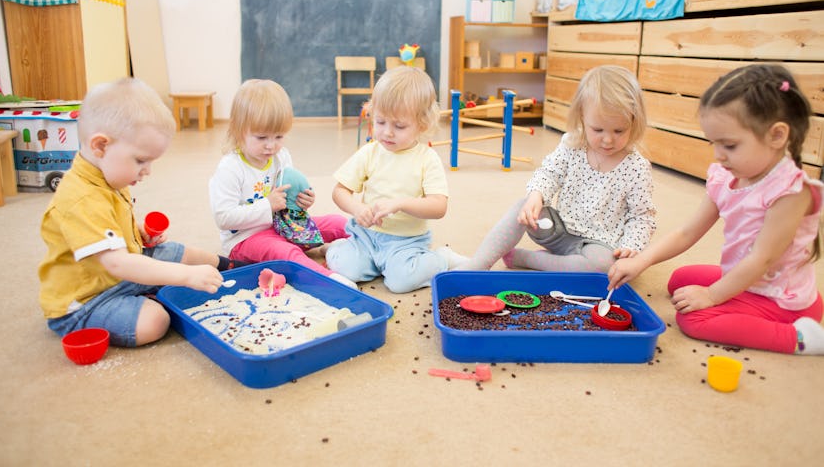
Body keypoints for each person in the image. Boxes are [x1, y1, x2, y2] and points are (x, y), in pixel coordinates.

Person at [608, 64, 824, 355]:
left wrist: (711, 295)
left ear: (776, 136)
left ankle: (800, 338)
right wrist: (641, 261)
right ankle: (733, 297)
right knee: (680, 281)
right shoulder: (726, 176)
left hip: (781, 297)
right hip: (746, 277)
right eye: (714, 143)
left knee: (692, 318)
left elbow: (761, 259)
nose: (719, 155)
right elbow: (688, 232)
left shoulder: (790, 192)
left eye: (730, 145)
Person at [39, 78, 229, 348]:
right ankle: (158, 295)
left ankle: (233, 266)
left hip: (122, 271)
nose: (147, 171)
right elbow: (117, 263)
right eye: (141, 160)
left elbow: (108, 222)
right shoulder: (80, 197)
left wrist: (135, 230)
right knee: (155, 321)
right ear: (101, 146)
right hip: (88, 300)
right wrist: (185, 277)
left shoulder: (107, 174)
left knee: (182, 252)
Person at [451, 65, 656, 273]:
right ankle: (478, 264)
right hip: (559, 230)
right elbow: (549, 173)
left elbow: (641, 217)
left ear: (634, 121)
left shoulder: (636, 167)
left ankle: (530, 259)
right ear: (583, 117)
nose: (608, 139)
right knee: (522, 207)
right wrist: (536, 196)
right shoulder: (573, 144)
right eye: (598, 129)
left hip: (599, 245)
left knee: (603, 267)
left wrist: (631, 246)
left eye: (619, 130)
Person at [209, 79, 355, 287]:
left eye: (279, 136)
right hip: (246, 239)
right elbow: (224, 218)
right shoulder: (230, 168)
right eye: (261, 137)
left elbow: (289, 200)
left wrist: (302, 201)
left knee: (336, 222)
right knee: (286, 252)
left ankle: (374, 242)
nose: (271, 145)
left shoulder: (281, 156)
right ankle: (329, 279)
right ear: (238, 130)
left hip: (284, 226)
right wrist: (267, 205)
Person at [325, 65, 453, 293]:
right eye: (380, 122)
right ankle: (346, 252)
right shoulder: (370, 152)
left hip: (407, 242)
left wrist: (401, 203)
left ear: (422, 124)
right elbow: (340, 191)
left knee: (400, 283)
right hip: (366, 237)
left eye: (399, 126)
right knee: (344, 267)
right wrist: (357, 208)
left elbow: (439, 206)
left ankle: (441, 259)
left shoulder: (427, 158)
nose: (387, 132)